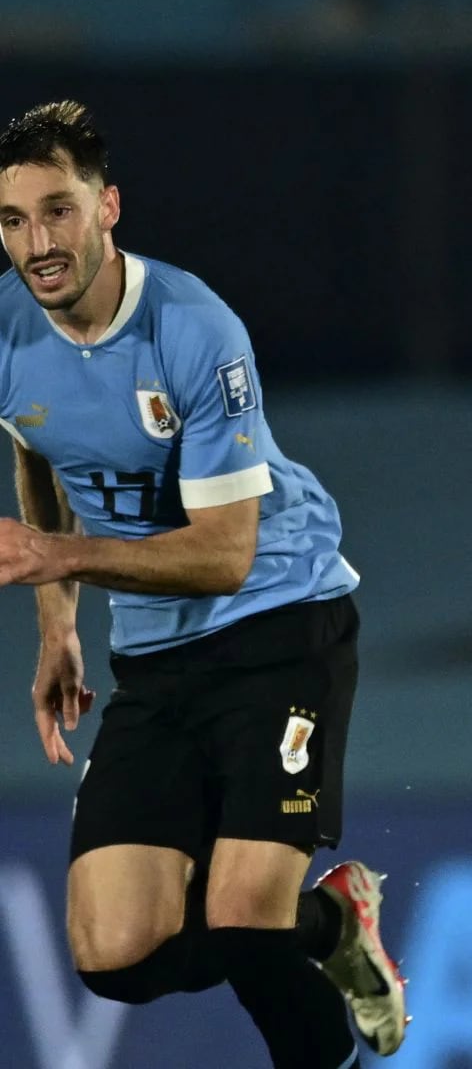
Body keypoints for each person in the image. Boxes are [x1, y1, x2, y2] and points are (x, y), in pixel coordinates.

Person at [0, 101, 406, 1066]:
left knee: (238, 924)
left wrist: (56, 560)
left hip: (277, 624)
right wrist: (58, 629)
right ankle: (332, 925)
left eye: (58, 211)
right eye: (13, 221)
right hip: (154, 653)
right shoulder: (10, 326)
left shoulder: (195, 330)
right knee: (114, 955)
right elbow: (39, 452)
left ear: (108, 208)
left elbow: (224, 554)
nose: (37, 244)